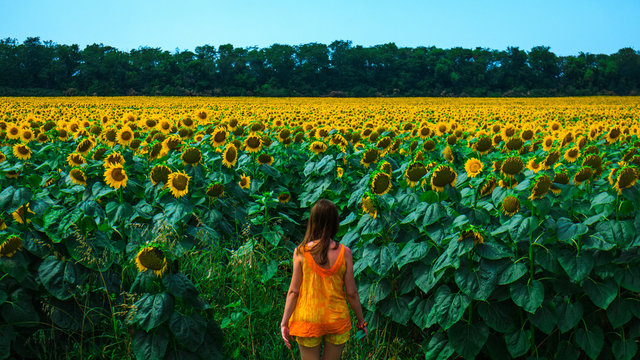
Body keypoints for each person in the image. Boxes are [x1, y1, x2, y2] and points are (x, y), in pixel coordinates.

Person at [280, 199, 367, 360]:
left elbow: (293, 291)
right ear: (335, 223)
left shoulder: (301, 252)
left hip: (308, 320)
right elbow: (352, 293)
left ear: (312, 222)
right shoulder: (344, 253)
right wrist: (361, 321)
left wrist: (284, 323)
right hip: (336, 319)